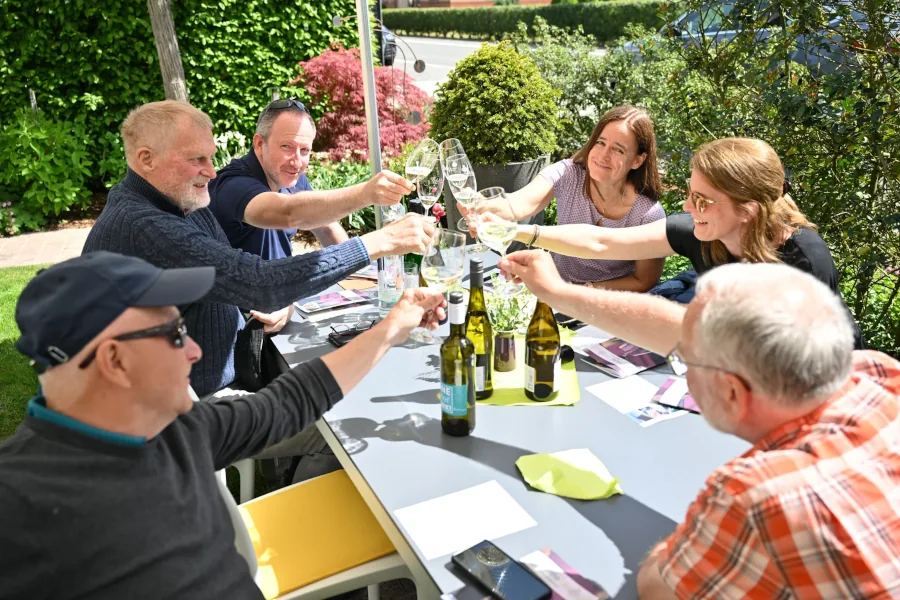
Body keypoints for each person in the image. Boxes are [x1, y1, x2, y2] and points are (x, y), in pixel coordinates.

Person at [0, 251, 446, 599]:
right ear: (114, 361)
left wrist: (392, 327)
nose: (194, 350)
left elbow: (289, 402)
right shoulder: (19, 505)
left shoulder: (176, 430)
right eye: (175, 334)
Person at [500, 249, 900, 599]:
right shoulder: (878, 372)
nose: (682, 367)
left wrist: (691, 535)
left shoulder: (754, 494)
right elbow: (681, 327)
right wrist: (556, 292)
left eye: (684, 360)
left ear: (731, 392)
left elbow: (660, 588)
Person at [83, 100, 434, 396]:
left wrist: (285, 300)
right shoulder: (150, 225)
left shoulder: (176, 201)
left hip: (219, 365)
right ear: (146, 159)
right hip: (185, 405)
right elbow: (269, 261)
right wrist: (380, 240)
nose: (210, 172)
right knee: (334, 408)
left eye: (210, 158)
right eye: (197, 160)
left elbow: (241, 275)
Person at [489, 137, 864, 346]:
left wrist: (560, 293)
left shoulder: (803, 263)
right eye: (690, 192)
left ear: (748, 210)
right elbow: (602, 242)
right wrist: (520, 233)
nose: (686, 206)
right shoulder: (701, 230)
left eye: (702, 199)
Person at [208, 98, 418, 331]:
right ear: (259, 144)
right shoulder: (232, 185)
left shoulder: (289, 177)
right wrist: (365, 194)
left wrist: (359, 274)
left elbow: (325, 226)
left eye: (305, 150)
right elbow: (289, 212)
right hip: (240, 326)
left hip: (281, 303)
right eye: (286, 147)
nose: (297, 161)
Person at [464, 105, 666, 291]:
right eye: (600, 143)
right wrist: (481, 206)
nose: (603, 155)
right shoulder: (569, 174)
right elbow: (518, 203)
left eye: (618, 150)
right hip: (553, 291)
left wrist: (585, 291)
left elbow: (644, 280)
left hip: (607, 305)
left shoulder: (648, 215)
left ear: (638, 160)